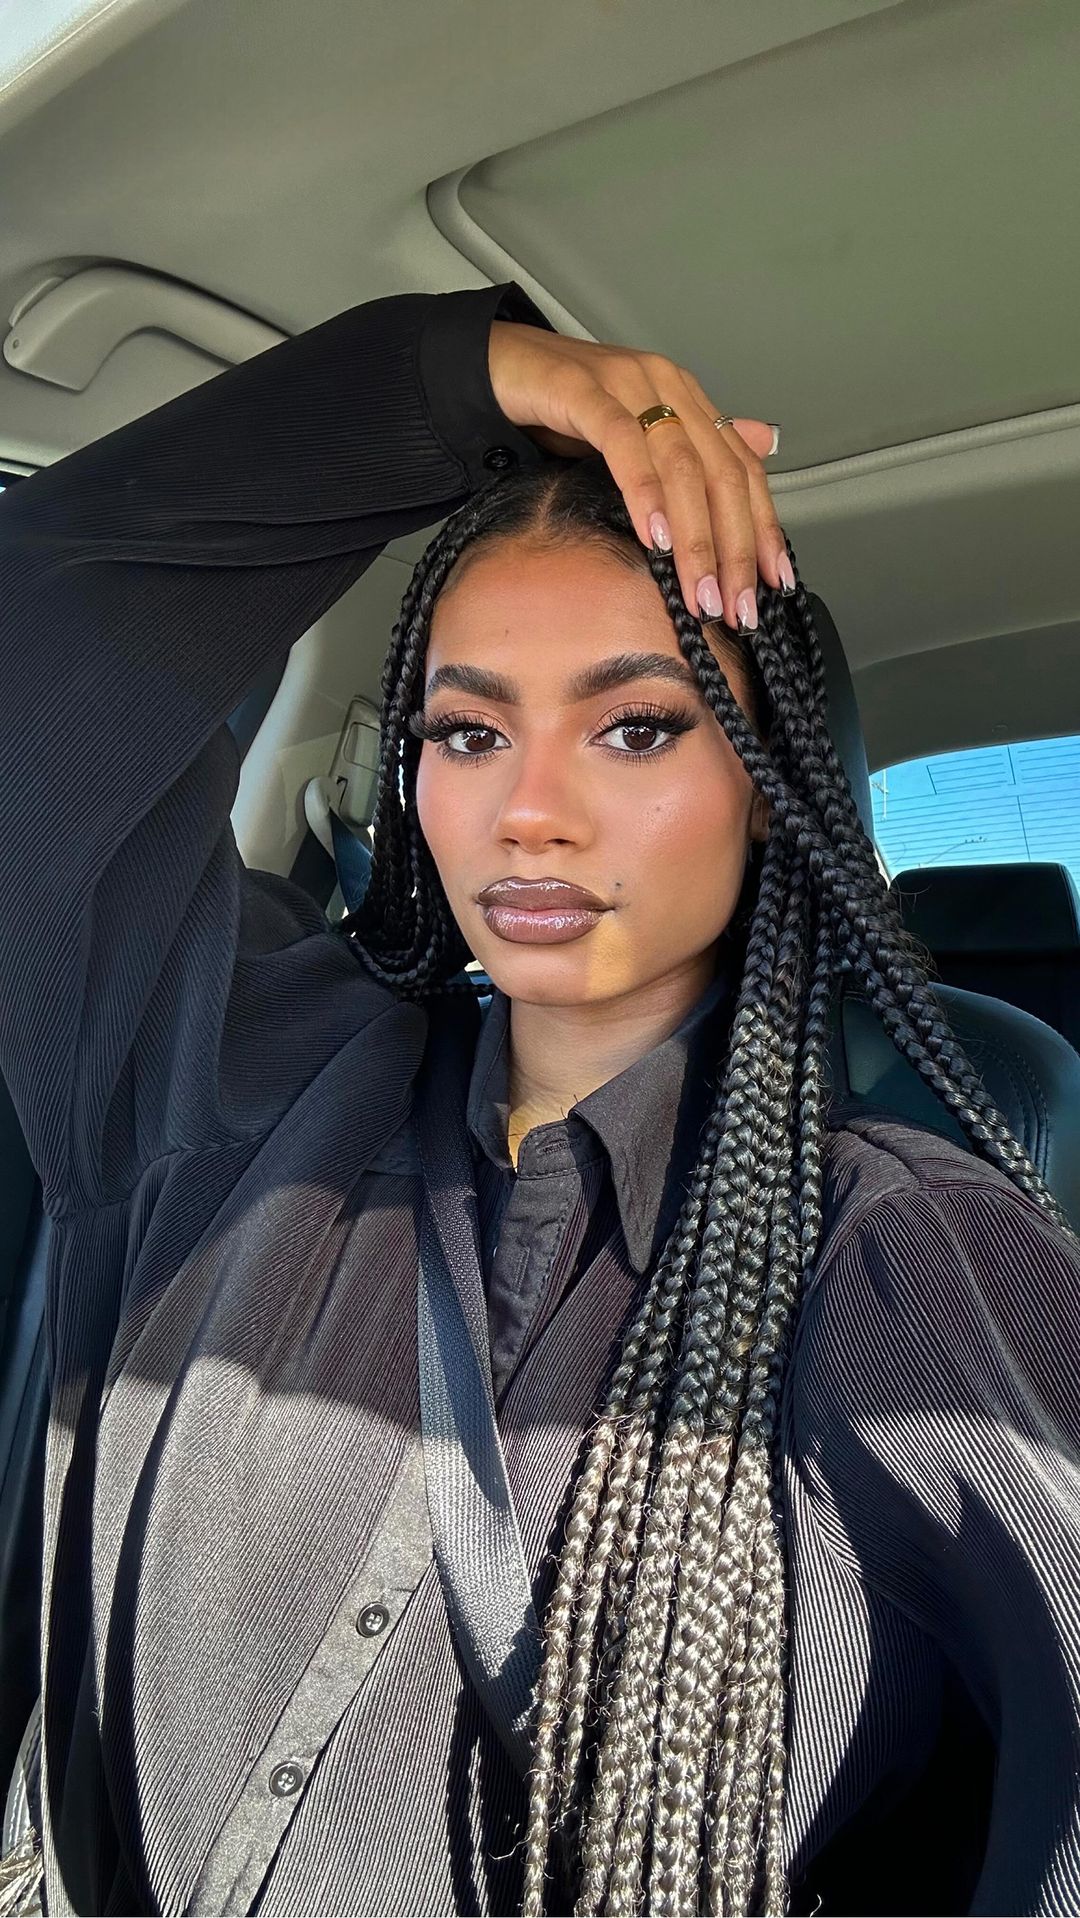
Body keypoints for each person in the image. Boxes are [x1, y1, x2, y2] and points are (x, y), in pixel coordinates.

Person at [0, 279, 1078, 1918]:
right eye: (467, 731)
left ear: (772, 785)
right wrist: (455, 384)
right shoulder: (227, 1061)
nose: (530, 811)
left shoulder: (909, 1256)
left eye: (637, 727)